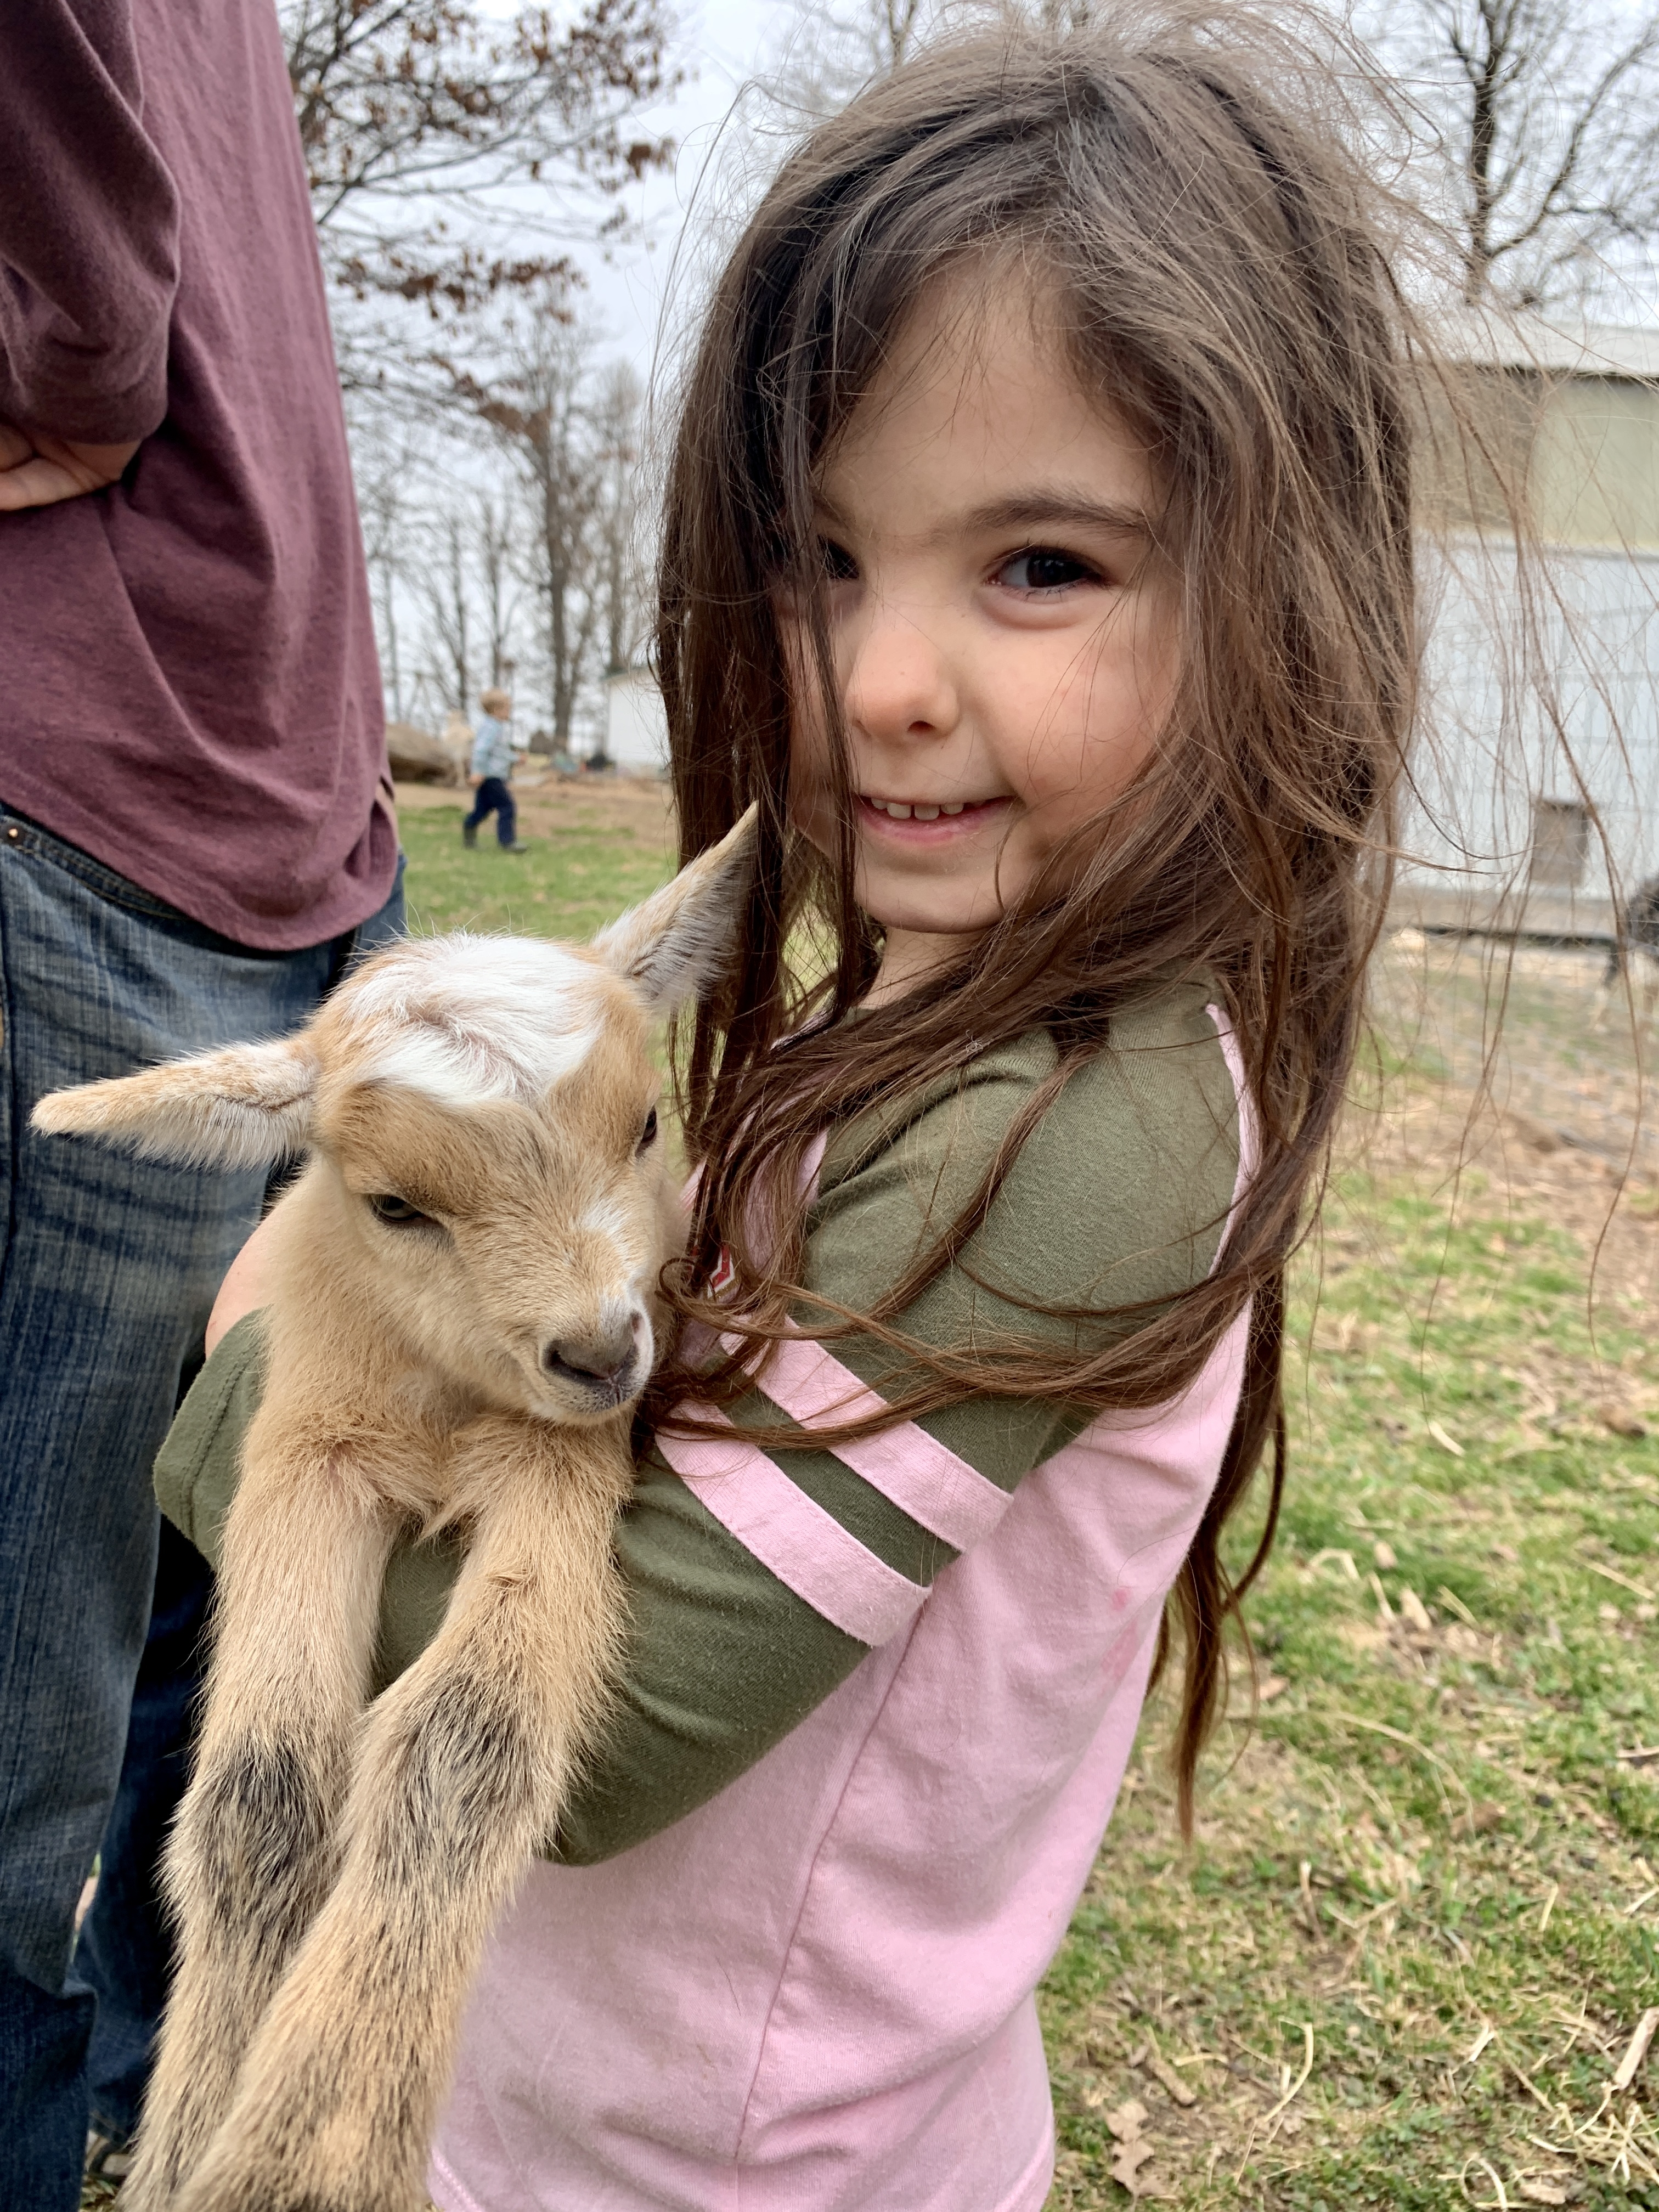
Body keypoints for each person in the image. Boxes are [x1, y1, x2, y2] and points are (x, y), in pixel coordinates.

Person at [156, 12, 1443, 2207]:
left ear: (1288, 594)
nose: (876, 682)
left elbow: (619, 1731)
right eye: (822, 562)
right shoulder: (927, 1019)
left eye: (1040, 567)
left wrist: (258, 1355)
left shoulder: (1088, 1136)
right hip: (580, 2102)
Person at [0, 2, 402, 2203]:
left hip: (83, 787)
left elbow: (75, 335)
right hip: (282, 789)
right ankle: (189, 2114)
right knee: (212, 1599)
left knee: (49, 1710)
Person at [462, 686, 527, 851]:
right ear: (496, 710)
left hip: (489, 776)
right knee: (507, 806)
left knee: (483, 809)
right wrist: (478, 771)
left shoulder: (494, 727)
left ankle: (469, 831)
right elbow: (481, 750)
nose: (509, 712)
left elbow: (499, 752)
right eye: (507, 709)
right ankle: (508, 842)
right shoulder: (492, 728)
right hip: (490, 777)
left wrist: (515, 758)